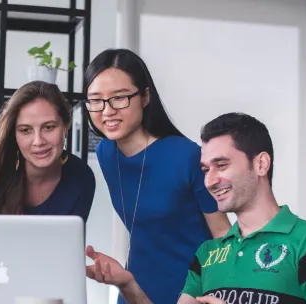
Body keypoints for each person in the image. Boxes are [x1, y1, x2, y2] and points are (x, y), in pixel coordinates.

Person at [86, 112, 306, 304]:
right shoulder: (207, 253)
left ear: (262, 164)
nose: (210, 180)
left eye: (222, 165)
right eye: (206, 169)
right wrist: (128, 283)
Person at [82, 48, 231, 303]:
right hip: (134, 291)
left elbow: (223, 236)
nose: (107, 111)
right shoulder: (106, 152)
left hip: (192, 293)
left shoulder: (186, 156)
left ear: (145, 97)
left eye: (119, 98)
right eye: (96, 100)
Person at [0, 81, 95, 222]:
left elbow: (70, 241)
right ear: (14, 133)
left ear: (66, 126)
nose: (38, 141)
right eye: (25, 130)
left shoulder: (81, 178)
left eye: (49, 127)